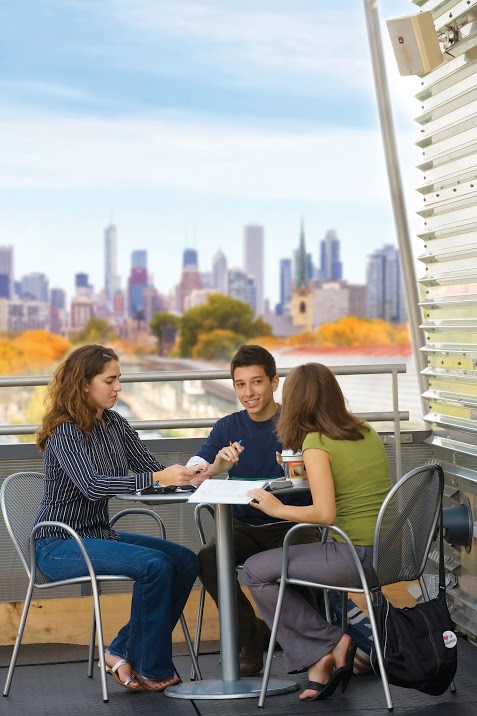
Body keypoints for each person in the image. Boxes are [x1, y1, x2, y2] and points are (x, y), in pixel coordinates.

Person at [34, 344, 200, 693]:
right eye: (110, 380)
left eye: (119, 379)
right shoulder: (65, 431)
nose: (118, 388)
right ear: (83, 384)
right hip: (59, 544)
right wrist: (158, 478)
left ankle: (121, 650)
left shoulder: (115, 423)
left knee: (184, 561)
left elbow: (152, 469)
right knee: (155, 565)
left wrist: (193, 473)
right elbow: (93, 486)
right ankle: (151, 667)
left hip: (99, 534)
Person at [244, 362, 392, 701]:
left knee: (255, 570)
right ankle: (320, 660)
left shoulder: (315, 442)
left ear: (295, 401)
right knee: (275, 568)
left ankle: (331, 643)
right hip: (390, 554)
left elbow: (324, 513)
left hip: (353, 557)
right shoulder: (365, 431)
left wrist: (274, 507)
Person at [187, 344, 318, 676]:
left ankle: (314, 643)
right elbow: (194, 468)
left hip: (292, 522)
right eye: (240, 384)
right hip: (243, 527)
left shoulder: (298, 423)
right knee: (207, 558)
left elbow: (323, 477)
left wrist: (294, 471)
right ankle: (252, 636)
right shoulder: (227, 427)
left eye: (256, 382)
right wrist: (215, 465)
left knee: (303, 556)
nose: (248, 392)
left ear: (274, 383)